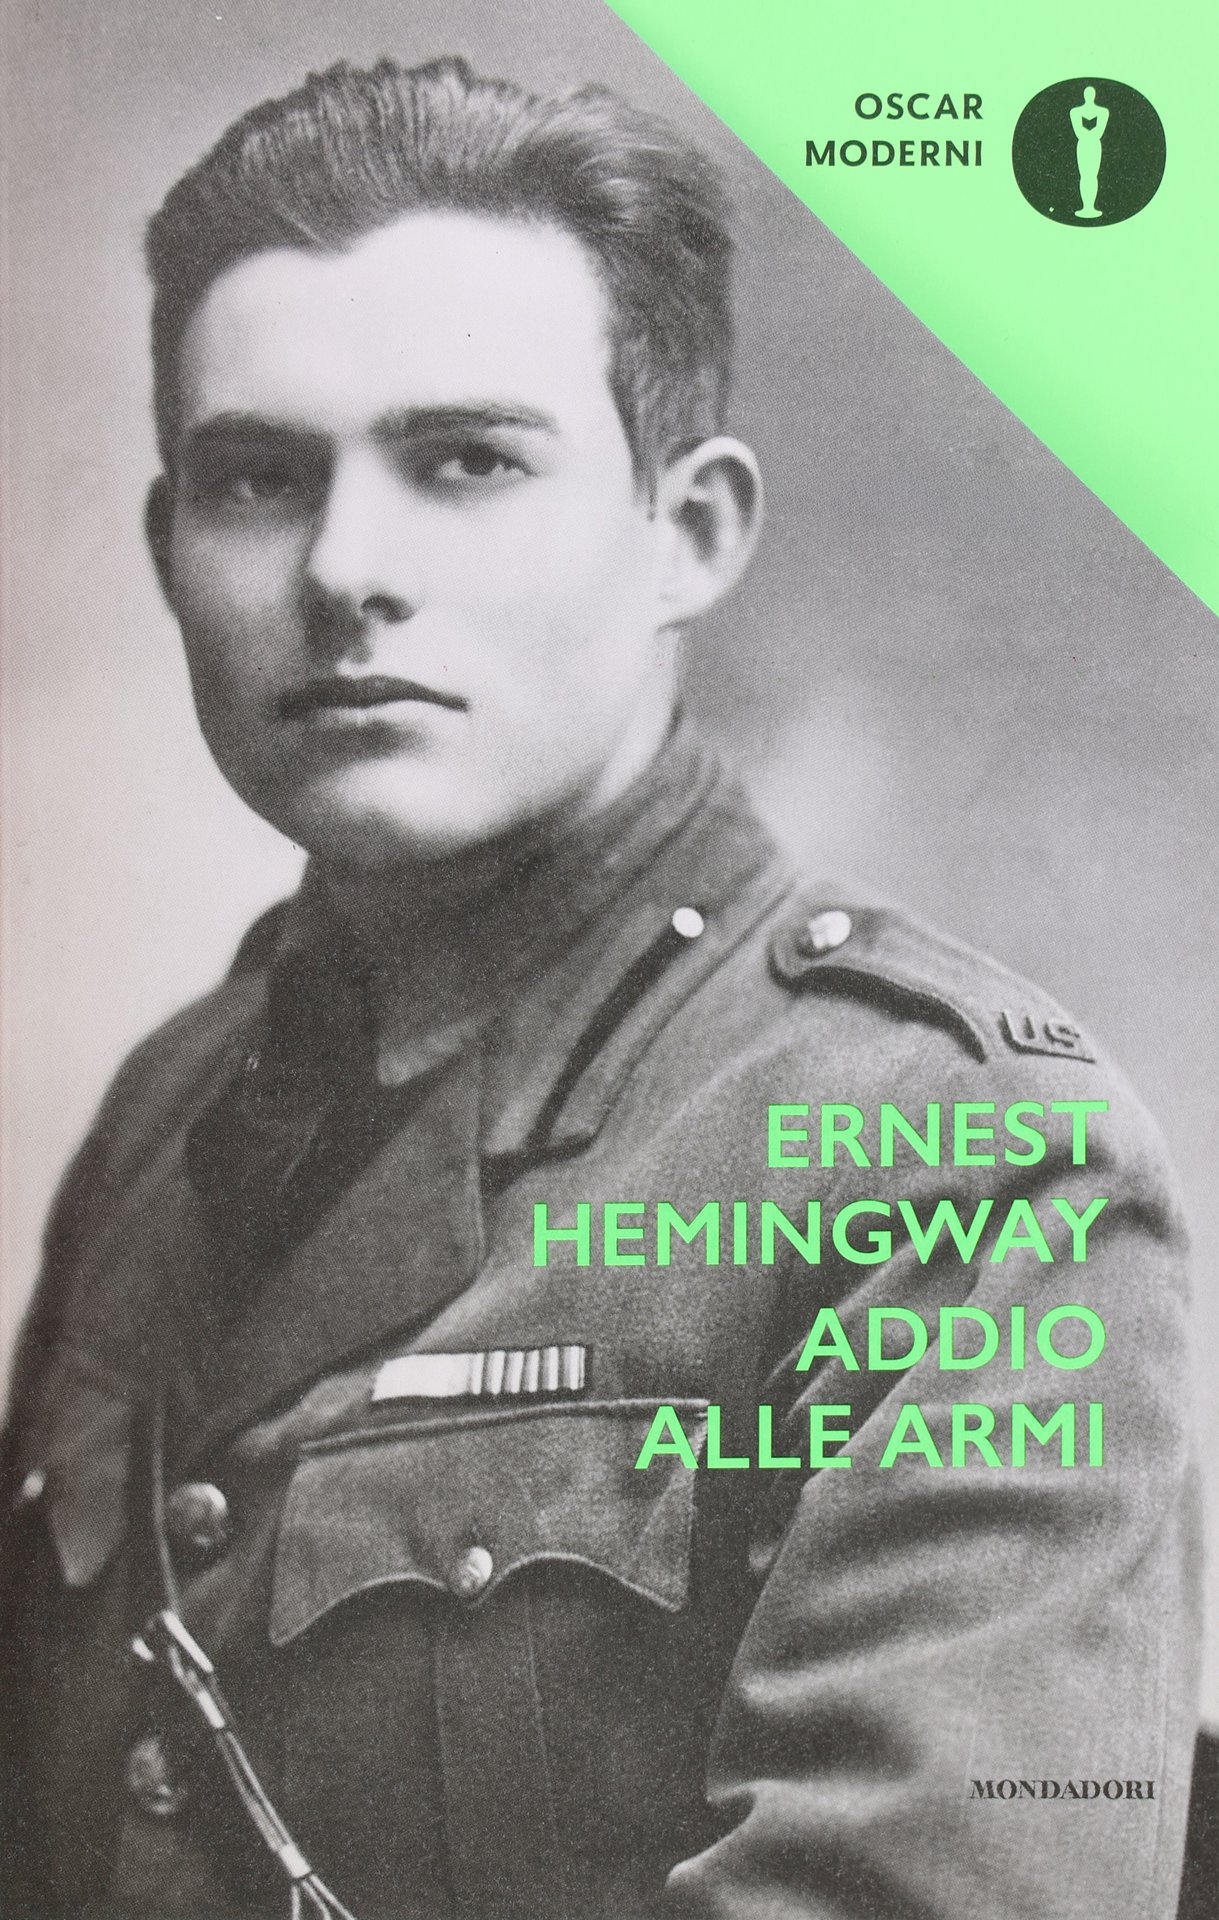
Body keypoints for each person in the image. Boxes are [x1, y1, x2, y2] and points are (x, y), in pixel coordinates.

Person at [0, 55, 1200, 1920]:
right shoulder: (172, 1118)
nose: (345, 569)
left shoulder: (956, 1156)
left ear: (686, 532)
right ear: (169, 552)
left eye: (466, 460)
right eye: (257, 479)